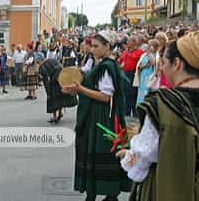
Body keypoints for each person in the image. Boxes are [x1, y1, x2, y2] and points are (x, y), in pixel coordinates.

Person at [116, 32, 199, 201]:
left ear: (176, 64)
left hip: (172, 189)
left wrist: (127, 156)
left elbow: (143, 156)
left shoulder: (162, 104)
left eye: (163, 63)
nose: (161, 68)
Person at [63, 30, 131, 201]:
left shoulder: (106, 66)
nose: (92, 49)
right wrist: (75, 90)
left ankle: (106, 193)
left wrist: (80, 89)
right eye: (91, 46)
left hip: (101, 117)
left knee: (98, 150)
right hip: (98, 114)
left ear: (107, 46)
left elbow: (105, 96)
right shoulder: (103, 64)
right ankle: (102, 194)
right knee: (96, 151)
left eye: (96, 46)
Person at [39, 59, 78, 123]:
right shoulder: (52, 61)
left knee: (53, 99)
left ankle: (54, 117)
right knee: (60, 97)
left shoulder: (43, 67)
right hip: (61, 79)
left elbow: (45, 80)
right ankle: (60, 113)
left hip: (54, 82)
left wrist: (48, 92)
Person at [118, 35, 144, 116]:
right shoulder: (125, 51)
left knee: (133, 93)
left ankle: (135, 112)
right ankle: (126, 112)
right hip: (124, 73)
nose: (127, 43)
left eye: (129, 41)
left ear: (134, 42)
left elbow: (135, 59)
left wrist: (128, 53)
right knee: (126, 93)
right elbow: (120, 60)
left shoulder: (140, 52)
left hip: (133, 74)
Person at [134, 39, 159, 104]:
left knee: (146, 92)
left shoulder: (155, 55)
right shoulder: (144, 54)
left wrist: (149, 53)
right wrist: (144, 65)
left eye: (150, 45)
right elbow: (140, 65)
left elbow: (152, 62)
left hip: (150, 76)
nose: (148, 47)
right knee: (141, 92)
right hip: (142, 75)